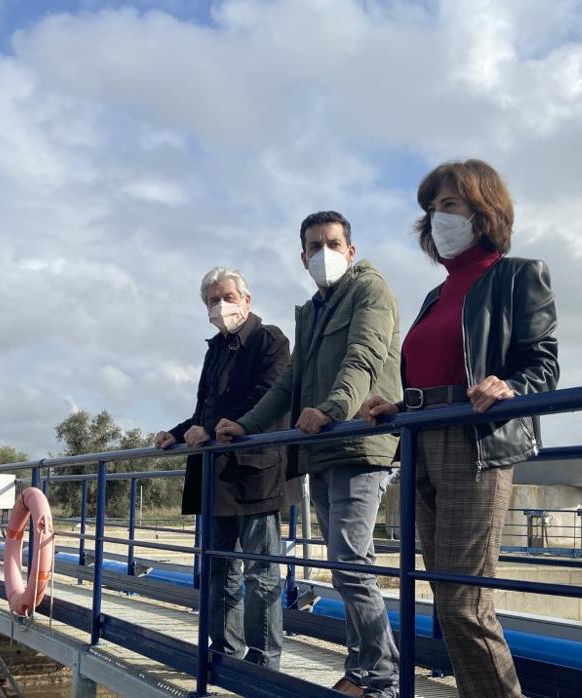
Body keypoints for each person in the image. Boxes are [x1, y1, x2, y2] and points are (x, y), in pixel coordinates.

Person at [359, 159, 559, 698]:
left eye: (448, 205)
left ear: (483, 209)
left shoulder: (518, 275)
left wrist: (507, 385)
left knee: (464, 602)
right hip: (421, 437)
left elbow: (544, 364)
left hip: (477, 443)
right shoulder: (435, 295)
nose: (436, 218)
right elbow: (437, 368)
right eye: (431, 210)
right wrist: (396, 407)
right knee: (444, 596)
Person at [215, 211, 402, 698]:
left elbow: (365, 355)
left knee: (350, 562)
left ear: (351, 249)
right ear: (302, 257)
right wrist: (247, 425)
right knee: (343, 564)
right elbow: (290, 383)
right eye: (315, 246)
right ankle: (360, 669)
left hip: (359, 441)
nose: (325, 253)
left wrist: (333, 409)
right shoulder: (313, 309)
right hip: (320, 448)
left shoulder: (370, 291)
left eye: (334, 243)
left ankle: (381, 678)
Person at [153, 267, 296, 669]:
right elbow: (205, 410)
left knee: (261, 573)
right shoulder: (214, 348)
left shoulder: (271, 339)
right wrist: (177, 432)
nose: (220, 305)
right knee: (220, 570)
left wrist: (211, 428)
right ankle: (225, 652)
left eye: (228, 296)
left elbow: (267, 396)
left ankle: (265, 661)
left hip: (255, 471)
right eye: (212, 300)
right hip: (214, 475)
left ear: (246, 300)